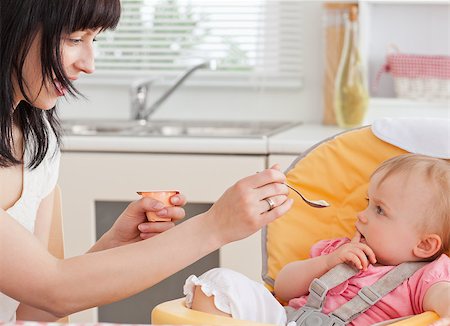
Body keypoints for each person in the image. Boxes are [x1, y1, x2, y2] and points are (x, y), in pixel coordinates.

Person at [0, 0, 293, 322]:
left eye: (93, 40)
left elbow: (32, 308)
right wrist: (216, 225)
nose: (88, 64)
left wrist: (116, 246)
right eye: (73, 39)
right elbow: (52, 291)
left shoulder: (38, 141)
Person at [185, 154, 450, 326]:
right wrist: (326, 262)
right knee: (217, 282)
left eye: (380, 210)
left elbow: (444, 297)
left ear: (425, 245)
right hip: (289, 321)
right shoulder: (338, 249)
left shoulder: (425, 276)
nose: (362, 215)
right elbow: (284, 290)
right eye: (368, 203)